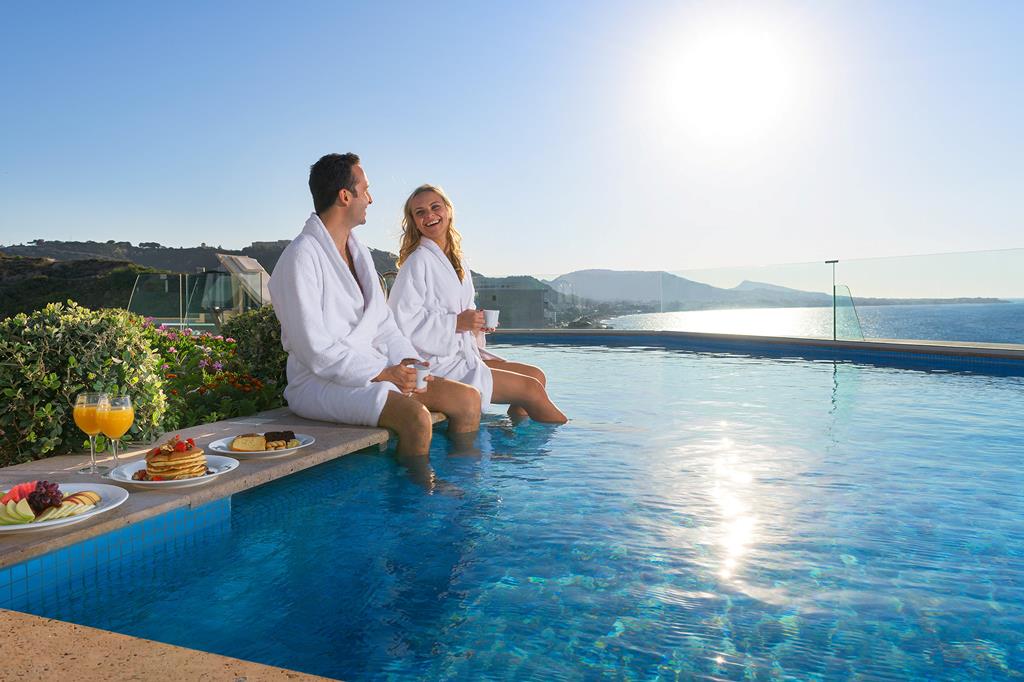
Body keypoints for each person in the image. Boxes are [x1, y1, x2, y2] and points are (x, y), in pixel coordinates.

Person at [269, 155, 482, 456]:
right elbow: (314, 349)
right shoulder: (300, 258)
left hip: (372, 369)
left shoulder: (359, 253)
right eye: (366, 190)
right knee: (416, 418)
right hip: (319, 382)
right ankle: (418, 487)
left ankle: (463, 479)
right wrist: (381, 372)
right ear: (345, 196)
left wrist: (408, 362)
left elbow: (384, 324)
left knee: (468, 399)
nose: (370, 199)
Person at [387, 184, 567, 424]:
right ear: (414, 222)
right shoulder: (417, 262)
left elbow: (462, 308)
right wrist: (456, 323)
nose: (429, 215)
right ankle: (567, 437)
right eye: (420, 212)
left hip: (462, 353)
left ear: (448, 210)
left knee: (537, 376)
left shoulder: (457, 260)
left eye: (435, 207)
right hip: (437, 361)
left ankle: (518, 436)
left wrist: (476, 323)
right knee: (530, 389)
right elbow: (401, 322)